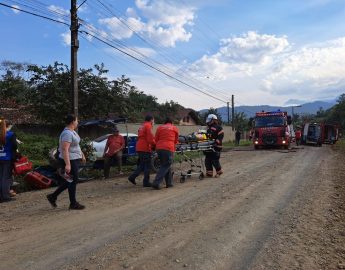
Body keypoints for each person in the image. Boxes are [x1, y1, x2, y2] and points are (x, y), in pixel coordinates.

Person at [46, 114, 86, 210]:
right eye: (77, 120)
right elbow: (64, 149)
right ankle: (73, 203)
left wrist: (82, 154)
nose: (77, 122)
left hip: (74, 159)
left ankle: (53, 196)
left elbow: (76, 145)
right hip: (69, 160)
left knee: (71, 180)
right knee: (72, 180)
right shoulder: (67, 133)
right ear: (72, 121)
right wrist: (68, 164)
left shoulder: (72, 132)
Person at [151, 117, 179, 190]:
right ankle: (156, 183)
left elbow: (156, 139)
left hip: (159, 148)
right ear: (171, 122)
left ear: (165, 122)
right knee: (166, 165)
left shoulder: (160, 128)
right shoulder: (174, 128)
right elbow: (176, 141)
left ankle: (169, 183)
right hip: (168, 148)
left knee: (166, 165)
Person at [128, 115, 155, 187]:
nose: (154, 122)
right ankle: (146, 182)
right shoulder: (148, 126)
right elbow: (150, 139)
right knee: (147, 165)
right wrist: (154, 145)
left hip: (139, 147)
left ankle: (132, 177)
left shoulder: (142, 126)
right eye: (153, 120)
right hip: (145, 147)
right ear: (151, 120)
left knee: (142, 164)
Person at [0, 118, 18, 203]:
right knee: (6, 178)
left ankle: (1, 196)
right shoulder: (11, 134)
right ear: (8, 126)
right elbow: (14, 146)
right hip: (7, 158)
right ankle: (5, 196)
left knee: (0, 177)